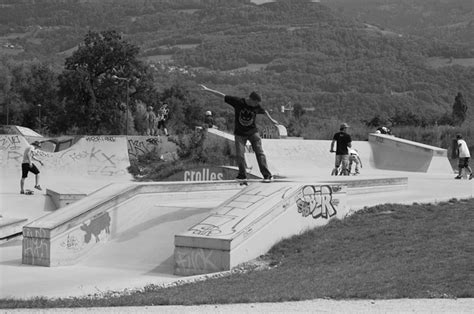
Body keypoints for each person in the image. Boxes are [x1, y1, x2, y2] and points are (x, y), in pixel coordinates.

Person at [199, 84, 277, 182]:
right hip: (240, 134)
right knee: (240, 155)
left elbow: (264, 112)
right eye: (255, 103)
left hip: (253, 132)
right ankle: (242, 174)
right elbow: (222, 96)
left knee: (259, 152)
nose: (256, 105)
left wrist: (272, 120)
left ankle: (267, 175)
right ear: (251, 99)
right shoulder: (238, 102)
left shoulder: (256, 105)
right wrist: (207, 89)